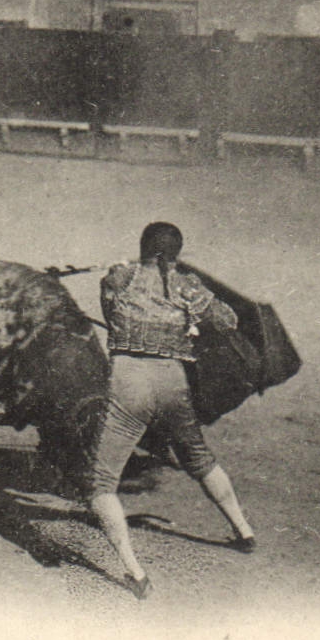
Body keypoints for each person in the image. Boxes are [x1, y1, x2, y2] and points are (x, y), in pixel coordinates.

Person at [87, 222, 257, 600]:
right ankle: (243, 530)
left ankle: (135, 572)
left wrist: (121, 270)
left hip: (129, 382)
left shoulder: (119, 277)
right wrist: (191, 319)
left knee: (101, 483)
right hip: (173, 381)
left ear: (143, 246)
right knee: (198, 456)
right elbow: (227, 320)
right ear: (176, 252)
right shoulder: (187, 286)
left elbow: (109, 307)